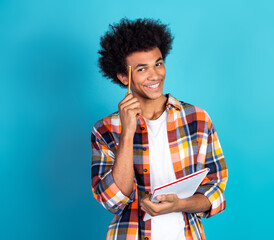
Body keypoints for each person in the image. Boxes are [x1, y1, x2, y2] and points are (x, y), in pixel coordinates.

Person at [91, 18, 228, 240]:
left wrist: (180, 204)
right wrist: (127, 133)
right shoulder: (105, 129)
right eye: (142, 68)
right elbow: (112, 200)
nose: (155, 75)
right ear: (124, 77)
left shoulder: (197, 119)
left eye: (158, 63)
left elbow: (216, 192)